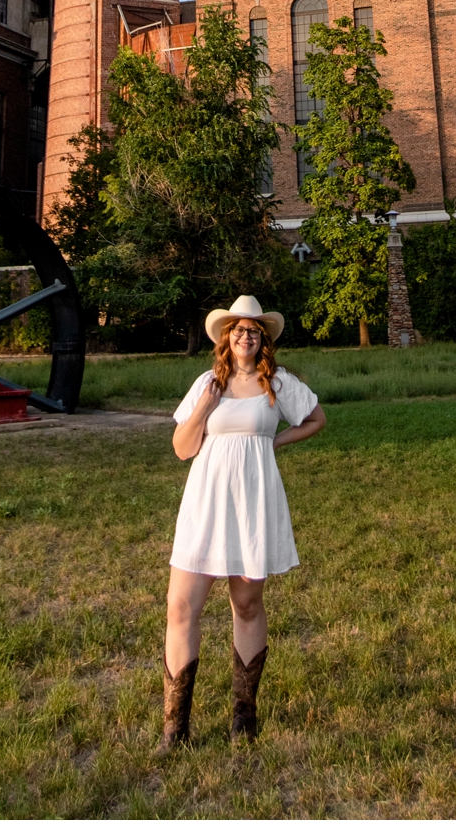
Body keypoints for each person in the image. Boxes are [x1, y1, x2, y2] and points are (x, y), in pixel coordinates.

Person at [160, 295, 326, 749]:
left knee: (247, 605)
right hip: (206, 501)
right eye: (238, 329)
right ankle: (175, 728)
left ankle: (243, 719)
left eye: (254, 330)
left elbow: (316, 419)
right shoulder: (207, 383)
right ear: (226, 336)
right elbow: (182, 447)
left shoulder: (279, 383)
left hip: (254, 500)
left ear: (263, 339)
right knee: (180, 607)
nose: (246, 335)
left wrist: (274, 443)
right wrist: (204, 407)